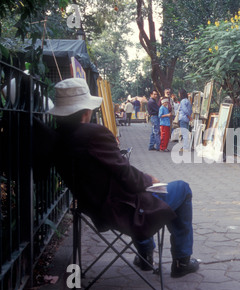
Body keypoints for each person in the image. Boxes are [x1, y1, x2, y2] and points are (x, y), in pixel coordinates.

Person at [48, 78, 199, 278]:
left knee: (139, 191)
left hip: (95, 208)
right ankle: (181, 261)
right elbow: (127, 176)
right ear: (86, 111)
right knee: (182, 188)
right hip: (122, 209)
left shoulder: (57, 139)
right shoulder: (94, 134)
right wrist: (149, 179)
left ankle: (145, 256)